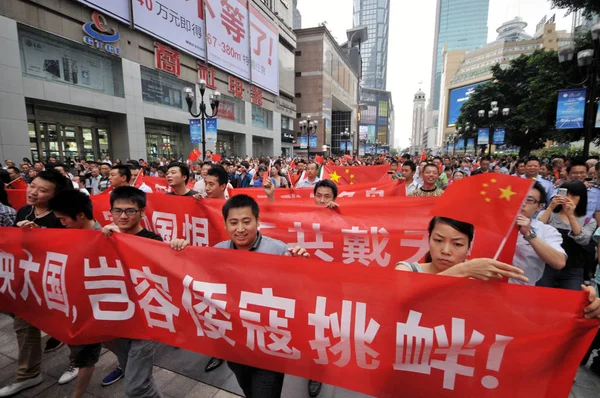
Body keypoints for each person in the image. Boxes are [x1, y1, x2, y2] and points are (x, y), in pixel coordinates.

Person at [214, 195, 309, 397]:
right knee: (247, 387)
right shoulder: (217, 252)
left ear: (258, 222)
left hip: (270, 343)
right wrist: (181, 249)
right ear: (225, 224)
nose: (240, 229)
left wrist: (302, 266)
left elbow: (298, 292)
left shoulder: (279, 250)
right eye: (233, 222)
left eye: (246, 221)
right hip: (235, 342)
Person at [0, 170, 70, 398]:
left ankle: (80, 360)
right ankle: (28, 373)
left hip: (56, 282)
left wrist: (42, 235)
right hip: (29, 280)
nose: (33, 192)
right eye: (33, 186)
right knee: (24, 326)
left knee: (67, 325)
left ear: (55, 194)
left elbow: (74, 247)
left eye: (42, 190)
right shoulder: (23, 210)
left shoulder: (63, 216)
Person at [100, 187, 163, 397]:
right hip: (116, 314)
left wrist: (124, 242)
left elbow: (155, 277)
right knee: (134, 372)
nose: (123, 216)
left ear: (142, 212)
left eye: (130, 211)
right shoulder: (105, 236)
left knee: (136, 387)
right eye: (117, 211)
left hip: (144, 319)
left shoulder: (153, 240)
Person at [47, 190, 104, 397]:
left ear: (80, 215)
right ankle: (126, 361)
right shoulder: (71, 233)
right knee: (113, 344)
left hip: (90, 308)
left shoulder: (101, 238)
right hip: (72, 302)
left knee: (85, 354)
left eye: (63, 219)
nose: (62, 223)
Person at [395, 216, 528, 282]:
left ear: (468, 246)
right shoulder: (407, 269)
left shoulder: (480, 278)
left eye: (457, 244)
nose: (446, 251)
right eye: (438, 240)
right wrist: (463, 270)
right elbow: (402, 294)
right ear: (429, 239)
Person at [536, 181, 596, 290]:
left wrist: (571, 215)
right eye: (565, 194)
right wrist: (550, 208)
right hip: (546, 265)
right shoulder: (547, 214)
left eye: (573, 195)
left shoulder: (589, 221)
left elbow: (583, 240)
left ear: (581, 198)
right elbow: (536, 230)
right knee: (541, 297)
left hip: (573, 269)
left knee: (571, 301)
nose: (568, 198)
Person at [511, 182, 567, 286]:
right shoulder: (490, 225)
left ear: (540, 206)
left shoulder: (546, 231)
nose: (522, 203)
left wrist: (529, 234)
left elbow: (559, 262)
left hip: (521, 291)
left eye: (529, 200)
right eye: (518, 197)